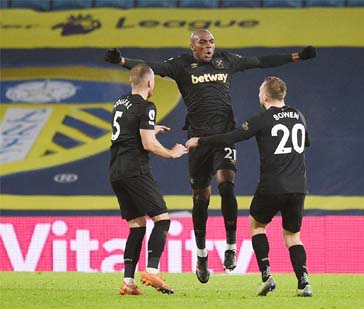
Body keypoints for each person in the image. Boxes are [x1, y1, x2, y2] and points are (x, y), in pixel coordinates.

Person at [104, 29, 316, 283]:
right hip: (197, 140)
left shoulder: (225, 61)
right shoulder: (182, 65)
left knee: (227, 186)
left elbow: (260, 61)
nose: (209, 46)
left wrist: (297, 56)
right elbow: (154, 67)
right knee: (200, 198)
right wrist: (122, 61)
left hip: (224, 135)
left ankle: (230, 247)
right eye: (203, 42)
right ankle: (202, 254)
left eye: (211, 42)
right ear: (193, 46)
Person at [186, 76, 313, 297]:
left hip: (272, 183)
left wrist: (201, 141)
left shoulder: (263, 119)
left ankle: (266, 276)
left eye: (259, 93)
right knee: (293, 235)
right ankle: (304, 282)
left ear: (265, 96)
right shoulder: (299, 116)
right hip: (298, 185)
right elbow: (305, 143)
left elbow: (233, 136)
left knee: (257, 225)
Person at [110, 63, 188, 296]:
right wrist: (171, 152)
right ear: (149, 83)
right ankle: (152, 270)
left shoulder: (120, 103)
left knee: (137, 227)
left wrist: (151, 128)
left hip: (116, 170)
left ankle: (128, 283)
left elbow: (127, 133)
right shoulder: (147, 106)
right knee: (162, 220)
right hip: (136, 169)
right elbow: (147, 144)